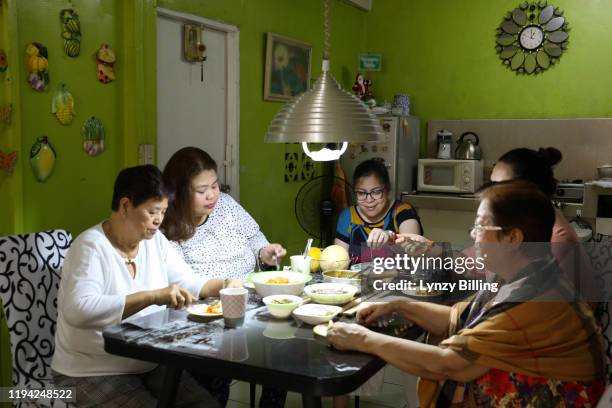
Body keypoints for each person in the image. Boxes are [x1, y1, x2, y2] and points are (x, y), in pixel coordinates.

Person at [328, 180, 607, 407]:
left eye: (480, 227)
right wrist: (399, 306)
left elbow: (449, 365)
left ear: (513, 238)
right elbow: (458, 316)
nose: (473, 235)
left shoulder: (531, 298)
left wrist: (363, 339)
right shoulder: (528, 274)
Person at [51, 165, 240, 407]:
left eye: (162, 211)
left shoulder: (155, 241)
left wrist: (225, 284)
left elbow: (188, 281)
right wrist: (152, 297)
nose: (159, 220)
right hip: (92, 370)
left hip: (147, 362)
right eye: (152, 212)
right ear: (125, 205)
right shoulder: (90, 247)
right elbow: (78, 310)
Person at [161, 147, 287, 407]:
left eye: (215, 185)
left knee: (283, 352)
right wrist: (225, 287)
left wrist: (266, 252)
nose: (212, 195)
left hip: (252, 303)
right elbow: (183, 284)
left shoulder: (226, 205)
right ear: (180, 191)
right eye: (201, 190)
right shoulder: (168, 227)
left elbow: (255, 238)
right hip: (204, 315)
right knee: (215, 372)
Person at [335, 158, 423, 262]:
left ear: (387, 190)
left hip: (396, 277)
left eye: (376, 192)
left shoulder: (403, 211)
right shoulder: (348, 216)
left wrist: (390, 236)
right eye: (362, 193)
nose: (369, 200)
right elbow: (339, 261)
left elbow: (412, 253)